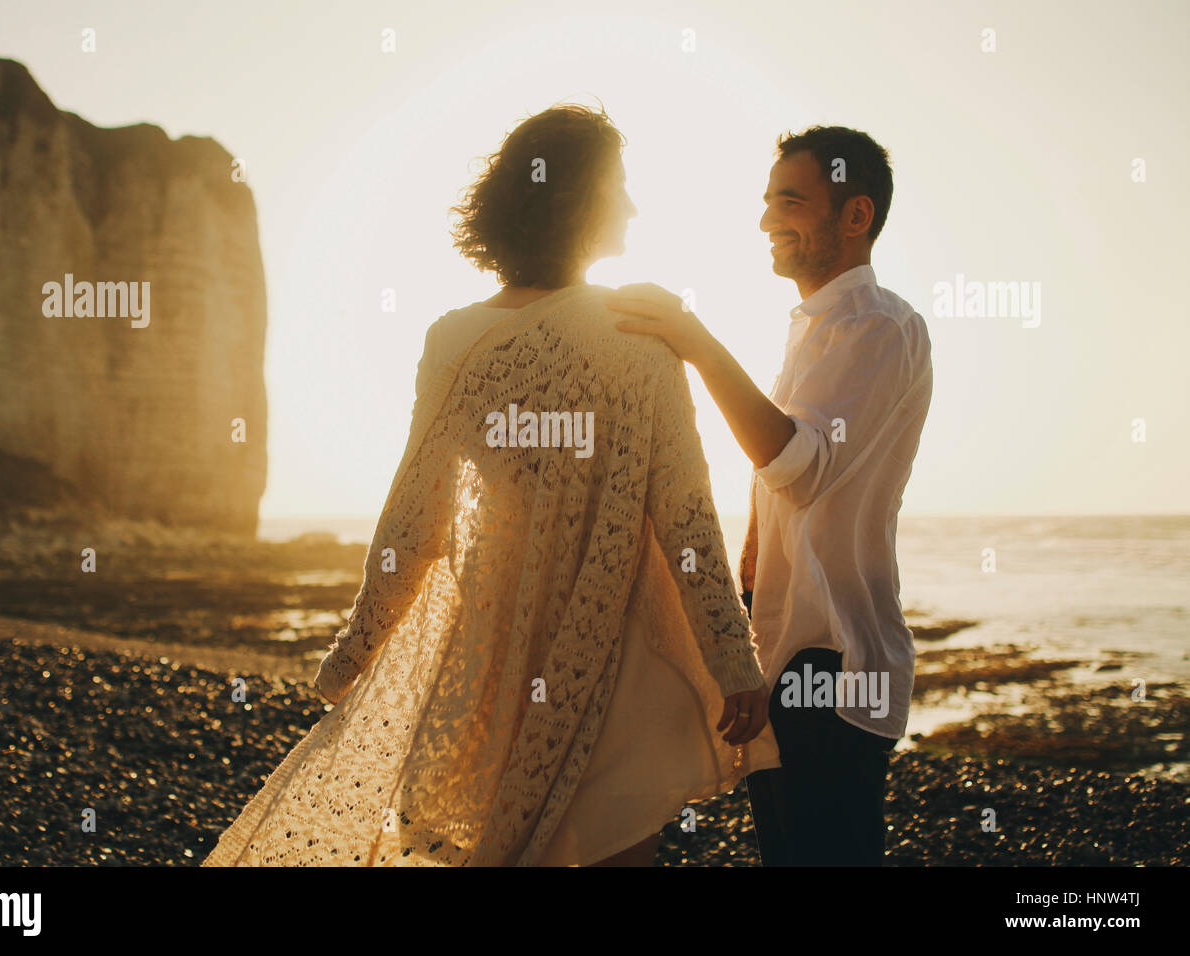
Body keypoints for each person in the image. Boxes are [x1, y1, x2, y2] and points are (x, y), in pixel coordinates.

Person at [201, 104, 777, 868]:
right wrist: (732, 658)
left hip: (491, 662)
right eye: (621, 187)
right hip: (613, 654)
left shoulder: (453, 342)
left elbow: (412, 522)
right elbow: (686, 517)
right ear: (578, 200)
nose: (633, 206)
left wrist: (354, 653)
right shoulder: (638, 335)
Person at [609, 125, 933, 866]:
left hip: (836, 661)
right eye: (766, 201)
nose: (765, 221)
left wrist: (697, 343)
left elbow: (797, 464)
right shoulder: (815, 329)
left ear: (856, 216)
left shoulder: (880, 327)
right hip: (786, 650)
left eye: (790, 201)